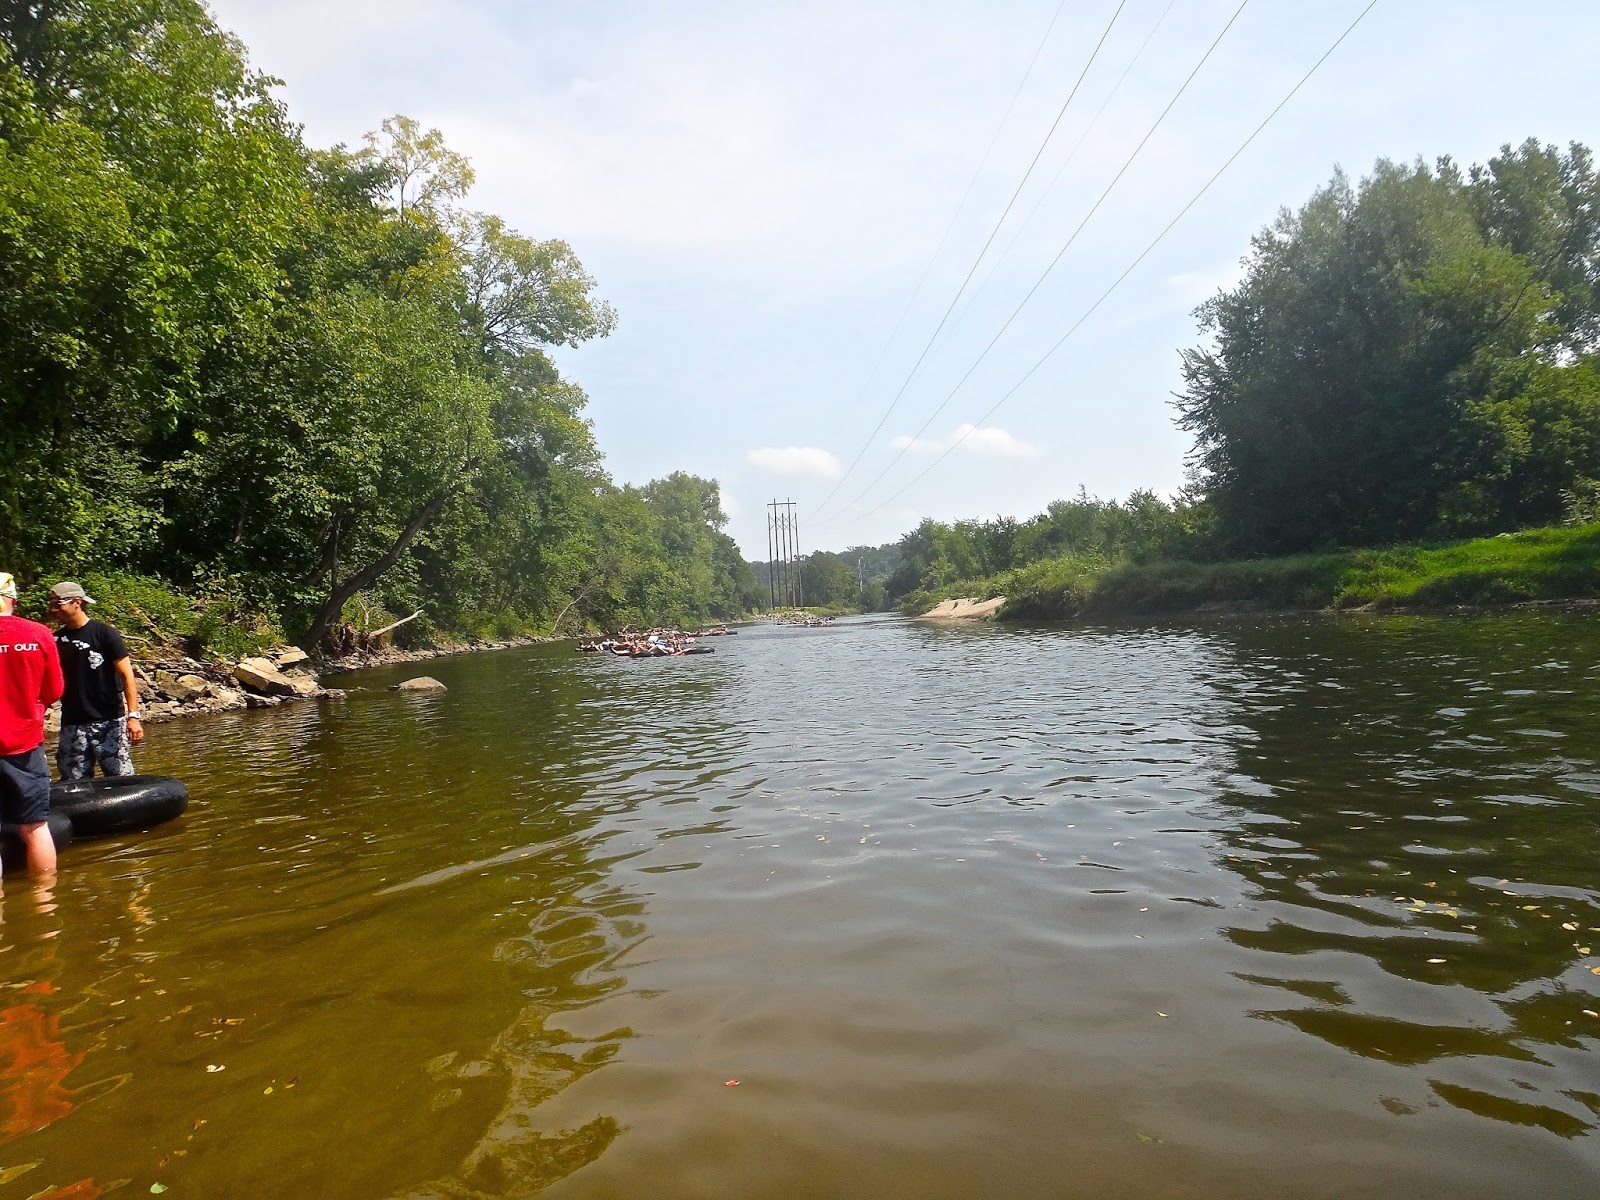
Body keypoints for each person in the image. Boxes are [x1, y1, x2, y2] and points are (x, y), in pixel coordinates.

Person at [0, 572, 64, 875]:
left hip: (22, 743)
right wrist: (34, 708)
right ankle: (44, 900)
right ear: (13, 600)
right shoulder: (38, 633)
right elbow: (55, 689)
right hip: (25, 744)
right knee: (35, 827)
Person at [48, 582, 142, 780]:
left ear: (77, 602)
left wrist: (133, 716)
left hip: (108, 721)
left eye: (58, 605)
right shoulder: (55, 640)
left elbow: (127, 676)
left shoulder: (105, 634)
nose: (53, 610)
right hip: (72, 723)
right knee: (73, 782)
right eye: (51, 605)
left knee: (120, 779)